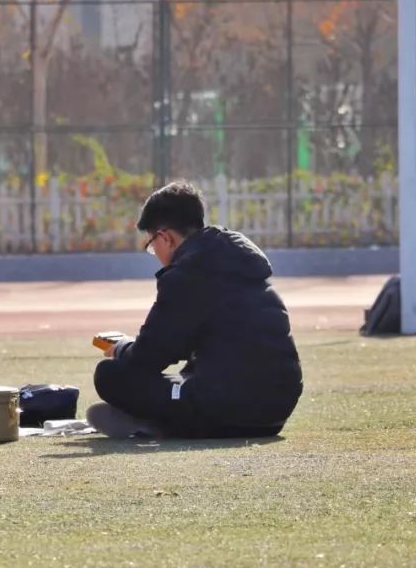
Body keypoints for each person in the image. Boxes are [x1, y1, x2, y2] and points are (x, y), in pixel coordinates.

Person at [87, 181, 302, 439]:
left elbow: (149, 357)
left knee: (110, 375)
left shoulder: (188, 274)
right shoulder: (237, 259)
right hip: (276, 410)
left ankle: (157, 421)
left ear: (165, 237)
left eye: (151, 245)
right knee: (191, 373)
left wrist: (121, 348)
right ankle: (163, 415)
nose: (154, 252)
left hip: (227, 411)